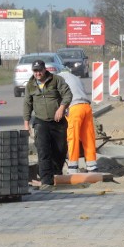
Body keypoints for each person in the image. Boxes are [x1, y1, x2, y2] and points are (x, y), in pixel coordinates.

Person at [23, 60, 72, 189]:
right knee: (43, 150)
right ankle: (46, 181)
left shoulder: (56, 80)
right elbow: (27, 104)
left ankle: (56, 176)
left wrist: (61, 108)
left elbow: (67, 94)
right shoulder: (30, 85)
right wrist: (26, 124)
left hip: (58, 122)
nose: (38, 73)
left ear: (45, 69)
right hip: (41, 122)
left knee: (60, 150)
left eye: (40, 70)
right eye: (35, 71)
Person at [58, 70, 98, 173]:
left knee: (73, 138)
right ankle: (92, 166)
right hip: (86, 107)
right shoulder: (76, 78)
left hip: (74, 108)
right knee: (88, 137)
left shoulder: (57, 79)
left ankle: (72, 167)